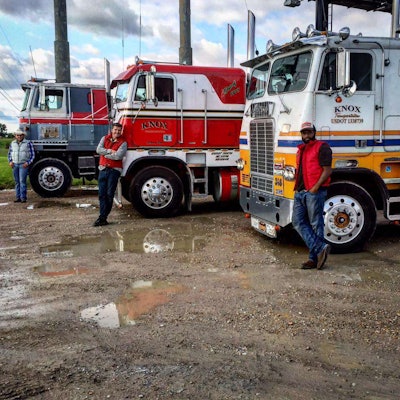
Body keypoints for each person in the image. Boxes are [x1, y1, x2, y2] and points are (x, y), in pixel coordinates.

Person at [292, 121, 332, 270]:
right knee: (297, 222)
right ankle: (320, 247)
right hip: (300, 192)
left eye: (309, 132)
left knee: (316, 224)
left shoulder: (322, 147)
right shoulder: (301, 149)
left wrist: (315, 188)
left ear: (314, 132)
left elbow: (327, 170)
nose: (307, 135)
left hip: (314, 192)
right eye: (304, 133)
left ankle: (313, 259)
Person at [94, 123, 127, 227]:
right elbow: (98, 150)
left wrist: (105, 154)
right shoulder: (104, 138)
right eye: (115, 129)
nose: (117, 132)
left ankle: (103, 217)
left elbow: (118, 156)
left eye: (119, 130)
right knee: (101, 194)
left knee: (109, 194)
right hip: (103, 169)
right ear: (112, 130)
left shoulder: (123, 142)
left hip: (114, 170)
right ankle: (102, 217)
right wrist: (109, 151)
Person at [8, 129, 35, 203]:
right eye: (17, 135)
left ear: (23, 135)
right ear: (15, 136)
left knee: (22, 181)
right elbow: (9, 153)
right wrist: (10, 161)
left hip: (23, 165)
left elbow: (32, 155)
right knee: (17, 182)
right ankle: (18, 197)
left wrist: (28, 163)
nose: (19, 136)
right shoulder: (12, 143)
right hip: (15, 165)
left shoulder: (28, 143)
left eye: (20, 135)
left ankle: (23, 198)